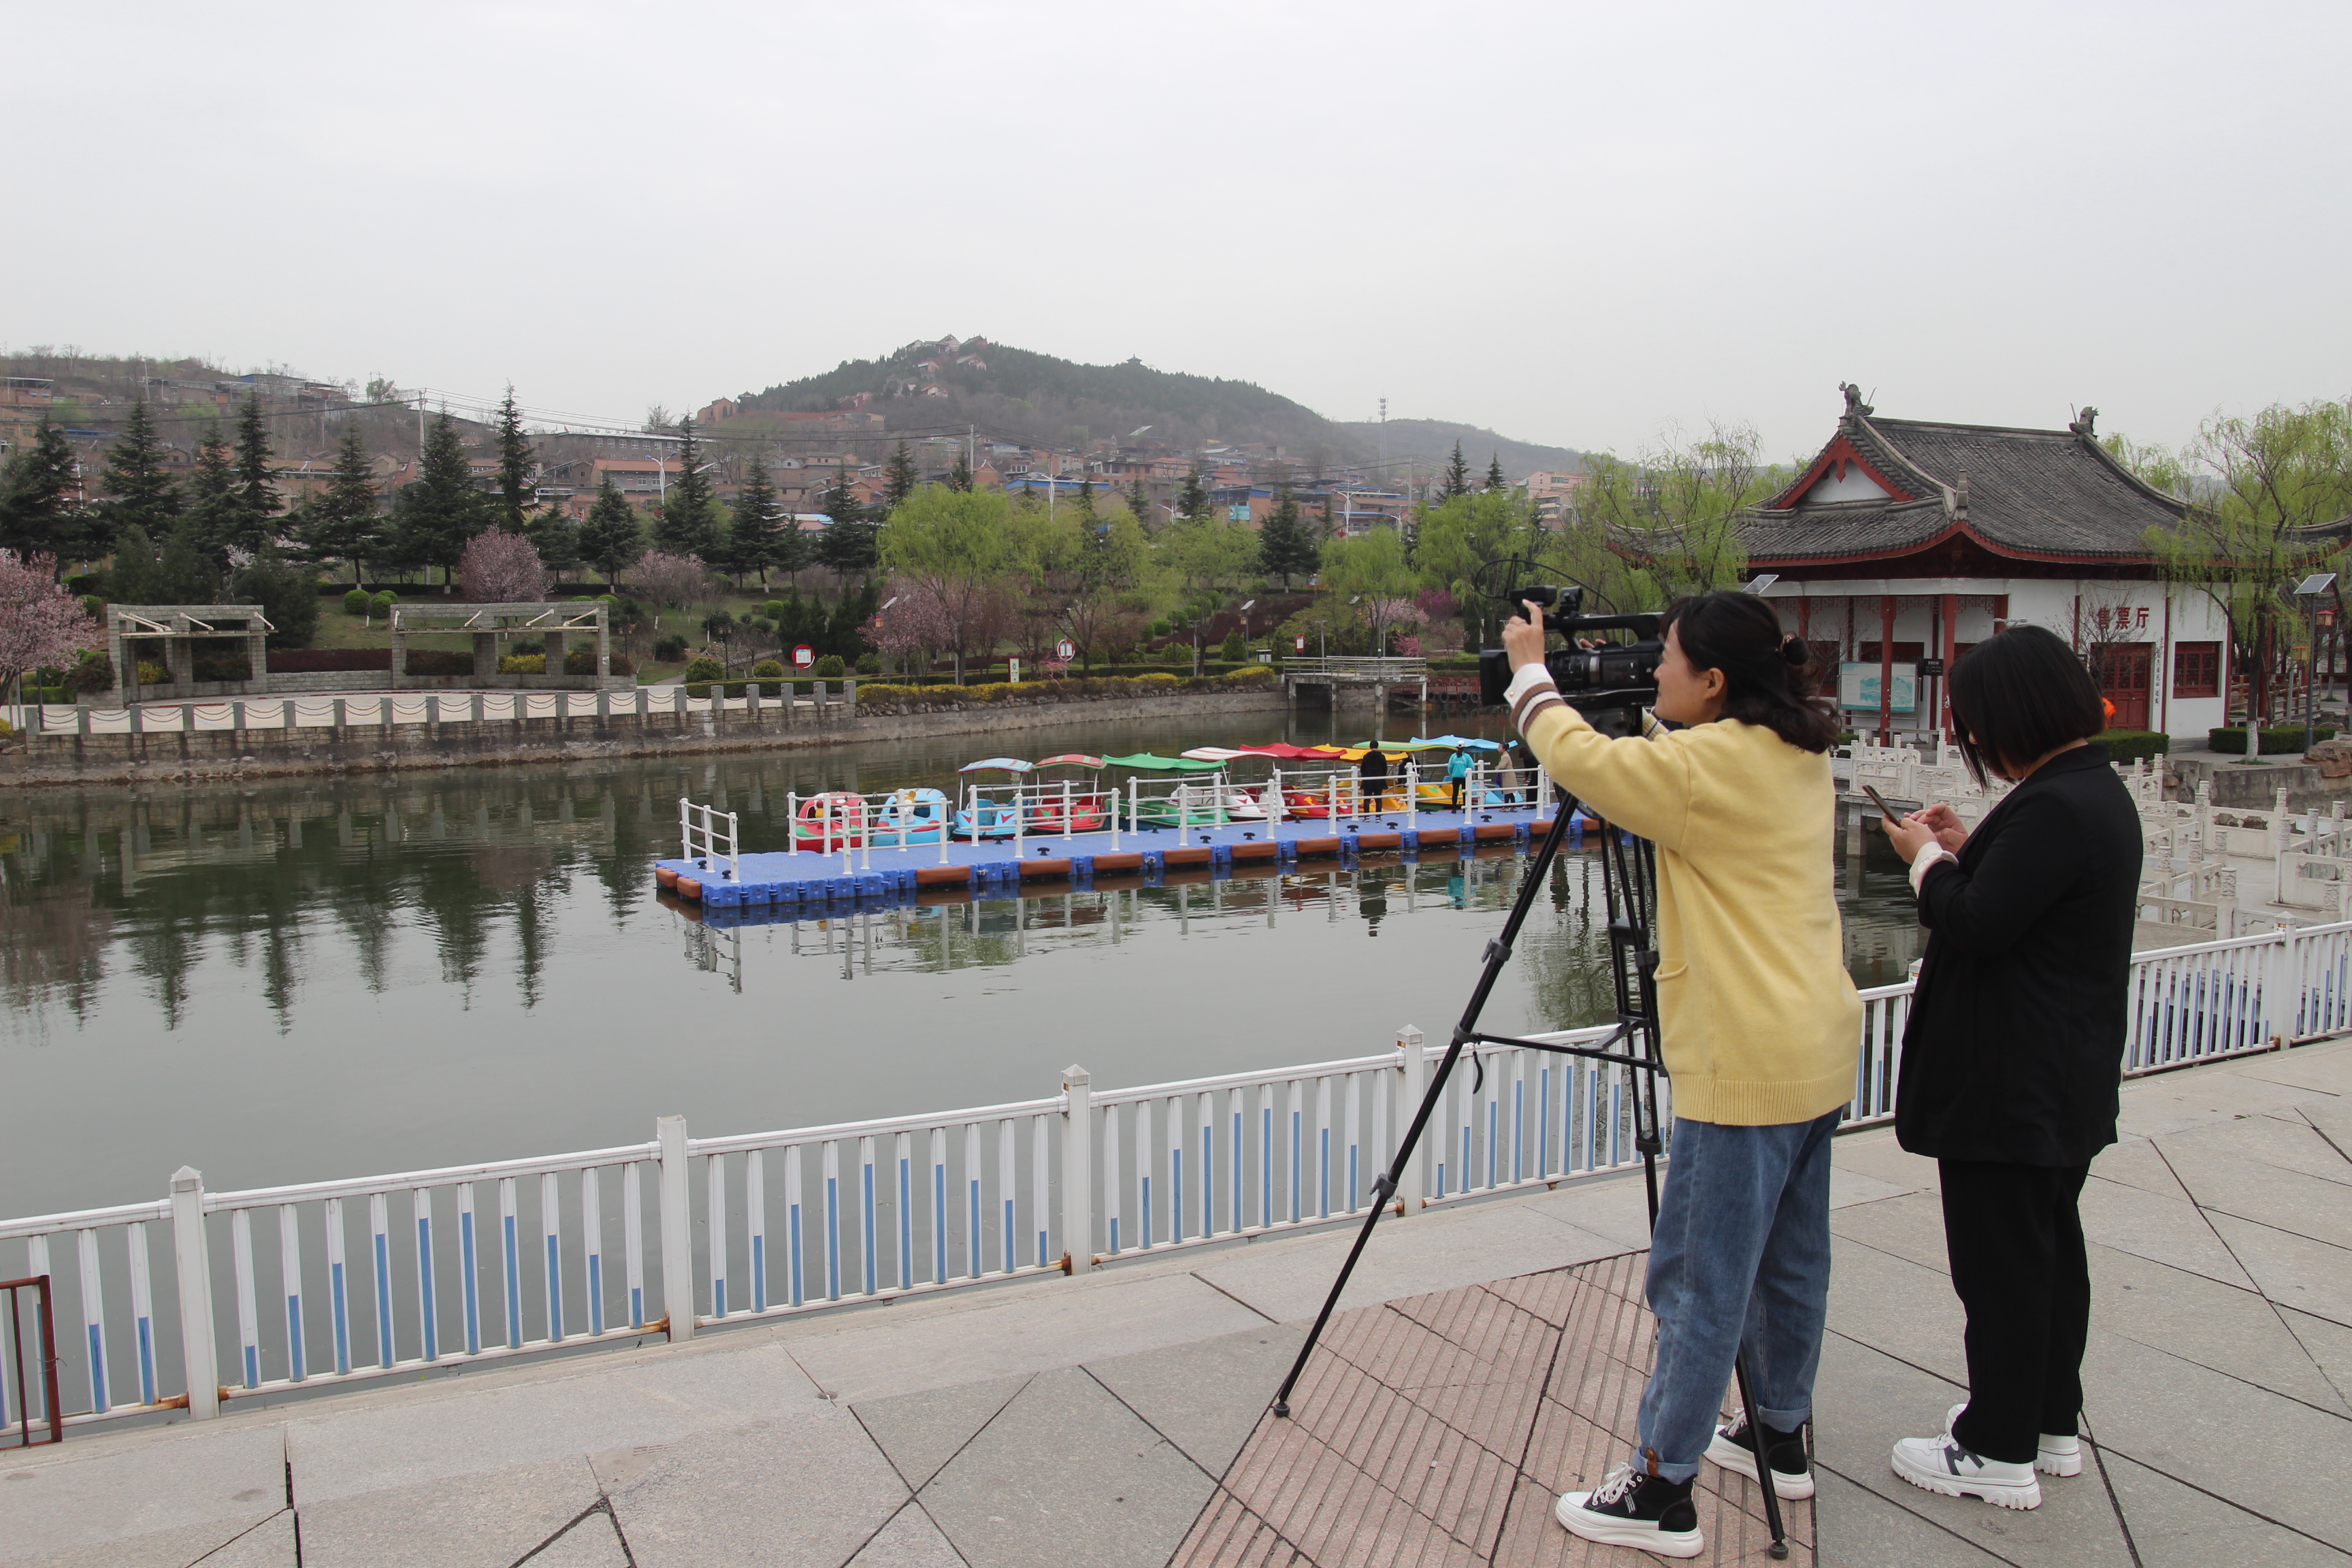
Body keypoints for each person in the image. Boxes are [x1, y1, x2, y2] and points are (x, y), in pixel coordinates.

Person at [1503, 590, 1860, 1559]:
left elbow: (1584, 761)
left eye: (1664, 660)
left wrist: (1533, 670)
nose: (1651, 674)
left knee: (1699, 1281)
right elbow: (1671, 759)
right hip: (1817, 1045)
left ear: (1711, 682)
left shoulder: (1699, 768)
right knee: (1791, 1260)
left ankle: (1663, 1487)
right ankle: (1779, 1432)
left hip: (1741, 1061)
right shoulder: (1795, 748)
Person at [1877, 625, 2138, 1512]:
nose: (1972, 739)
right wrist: (1969, 842)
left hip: (2012, 1085)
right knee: (2048, 1257)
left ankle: (1995, 1450)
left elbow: (1980, 922)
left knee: (2000, 1271)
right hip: (2061, 1078)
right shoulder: (2083, 792)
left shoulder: (2056, 806)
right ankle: (2048, 1423)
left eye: (1974, 722)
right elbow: (2025, 896)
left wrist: (1925, 862)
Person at [1445, 745, 1473, 809]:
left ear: (1457, 748)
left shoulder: (1453, 756)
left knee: (1455, 793)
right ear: (1464, 748)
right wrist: (1469, 775)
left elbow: (1450, 767)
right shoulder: (1467, 756)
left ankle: (1454, 809)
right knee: (1465, 793)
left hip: (1455, 777)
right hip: (1464, 777)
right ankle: (1465, 808)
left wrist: (1452, 774)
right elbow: (1471, 766)